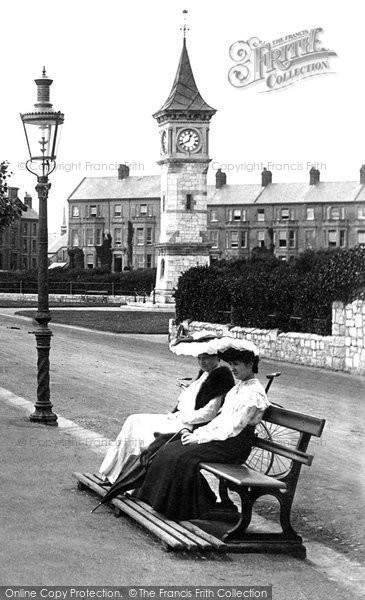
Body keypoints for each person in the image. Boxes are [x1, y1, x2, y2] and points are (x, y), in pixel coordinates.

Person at [135, 345, 270, 521]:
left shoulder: (254, 393)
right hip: (223, 438)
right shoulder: (239, 388)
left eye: (236, 364)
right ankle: (176, 502)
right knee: (169, 449)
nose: (233, 369)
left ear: (250, 364)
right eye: (231, 364)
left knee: (182, 457)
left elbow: (233, 427)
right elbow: (221, 420)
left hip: (233, 444)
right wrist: (199, 434)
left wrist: (200, 438)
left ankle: (191, 507)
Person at [98, 353, 234, 484]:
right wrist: (178, 412)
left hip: (189, 425)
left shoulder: (220, 377)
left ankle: (131, 481)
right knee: (133, 420)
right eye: (199, 358)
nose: (202, 362)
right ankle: (113, 473)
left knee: (147, 433)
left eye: (206, 358)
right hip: (178, 418)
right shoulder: (204, 374)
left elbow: (209, 413)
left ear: (217, 358)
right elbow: (189, 400)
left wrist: (183, 416)